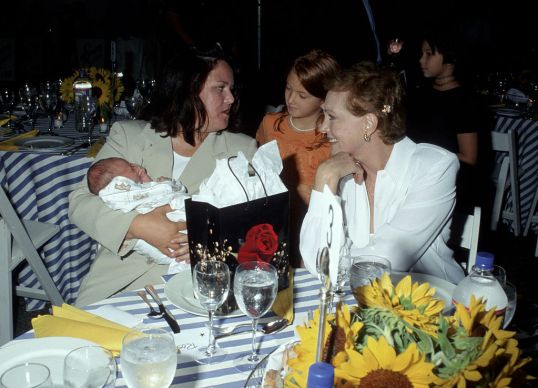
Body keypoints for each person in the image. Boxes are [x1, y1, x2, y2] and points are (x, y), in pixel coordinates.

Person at [69, 48, 257, 306]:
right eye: (220, 89)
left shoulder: (242, 150)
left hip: (197, 283)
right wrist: (139, 226)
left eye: (232, 89)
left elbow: (253, 225)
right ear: (188, 91)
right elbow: (80, 202)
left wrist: (209, 244)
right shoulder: (129, 137)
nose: (231, 99)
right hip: (119, 279)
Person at [300, 62, 465, 285]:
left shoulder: (434, 167)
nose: (322, 128)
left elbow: (384, 263)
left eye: (332, 116)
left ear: (368, 123)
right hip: (361, 303)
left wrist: (331, 266)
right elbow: (315, 262)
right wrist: (325, 177)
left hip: (432, 305)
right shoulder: (341, 169)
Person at [256, 49, 340, 267]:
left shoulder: (333, 135)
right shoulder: (270, 124)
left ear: (324, 99)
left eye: (302, 95)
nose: (291, 99)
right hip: (273, 225)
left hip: (313, 225)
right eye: (288, 88)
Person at [406, 27, 487, 213]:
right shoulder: (419, 94)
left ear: (448, 57)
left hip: (447, 184)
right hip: (414, 177)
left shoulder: (465, 101)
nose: (421, 60)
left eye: (429, 54)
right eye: (421, 54)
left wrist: (427, 156)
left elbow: (469, 158)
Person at [86, 157, 190, 275]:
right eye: (130, 167)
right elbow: (163, 191)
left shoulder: (133, 192)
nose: (136, 166)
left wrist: (146, 179)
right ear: (119, 181)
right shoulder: (117, 193)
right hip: (161, 240)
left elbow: (148, 193)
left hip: (172, 241)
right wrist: (166, 184)